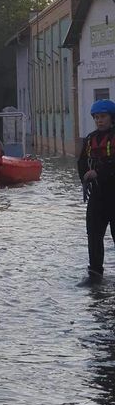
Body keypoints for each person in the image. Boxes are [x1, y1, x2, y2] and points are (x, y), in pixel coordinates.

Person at [77, 99, 115, 285]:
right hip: (97, 196)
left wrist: (98, 172)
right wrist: (85, 176)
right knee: (93, 235)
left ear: (111, 118)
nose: (100, 121)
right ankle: (95, 274)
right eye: (97, 118)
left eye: (103, 117)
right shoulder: (90, 139)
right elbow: (82, 163)